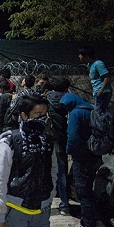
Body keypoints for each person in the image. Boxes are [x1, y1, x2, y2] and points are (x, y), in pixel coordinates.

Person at [0, 94, 56, 227]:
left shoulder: (48, 141)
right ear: (24, 115)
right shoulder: (10, 141)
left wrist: (49, 199)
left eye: (45, 114)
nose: (42, 118)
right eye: (37, 114)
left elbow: (52, 172)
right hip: (15, 212)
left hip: (41, 211)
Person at [60, 93, 102, 227]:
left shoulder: (76, 113)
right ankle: (93, 217)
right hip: (95, 154)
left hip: (81, 156)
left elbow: (72, 136)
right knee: (91, 188)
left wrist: (69, 151)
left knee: (83, 190)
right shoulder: (91, 108)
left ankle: (87, 225)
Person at [45, 77, 70, 215]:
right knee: (61, 172)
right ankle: (64, 204)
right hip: (62, 138)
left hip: (49, 137)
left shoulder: (48, 96)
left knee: (48, 170)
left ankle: (46, 202)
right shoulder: (68, 99)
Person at [79, 45, 112, 111]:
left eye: (81, 54)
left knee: (99, 111)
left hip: (103, 92)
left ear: (87, 56)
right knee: (100, 111)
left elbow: (107, 77)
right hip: (97, 91)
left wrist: (101, 90)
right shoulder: (89, 64)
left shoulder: (98, 64)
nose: (79, 56)